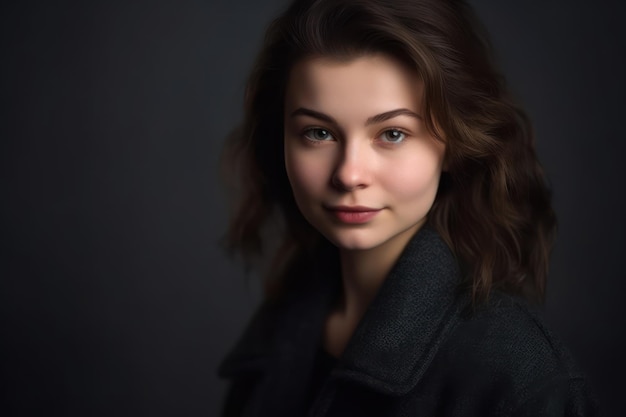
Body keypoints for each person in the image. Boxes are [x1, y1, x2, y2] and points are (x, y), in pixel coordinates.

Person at [217, 0, 598, 415]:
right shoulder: (280, 332)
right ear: (282, 142)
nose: (349, 174)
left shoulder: (518, 376)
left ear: (453, 143)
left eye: (393, 134)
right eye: (319, 132)